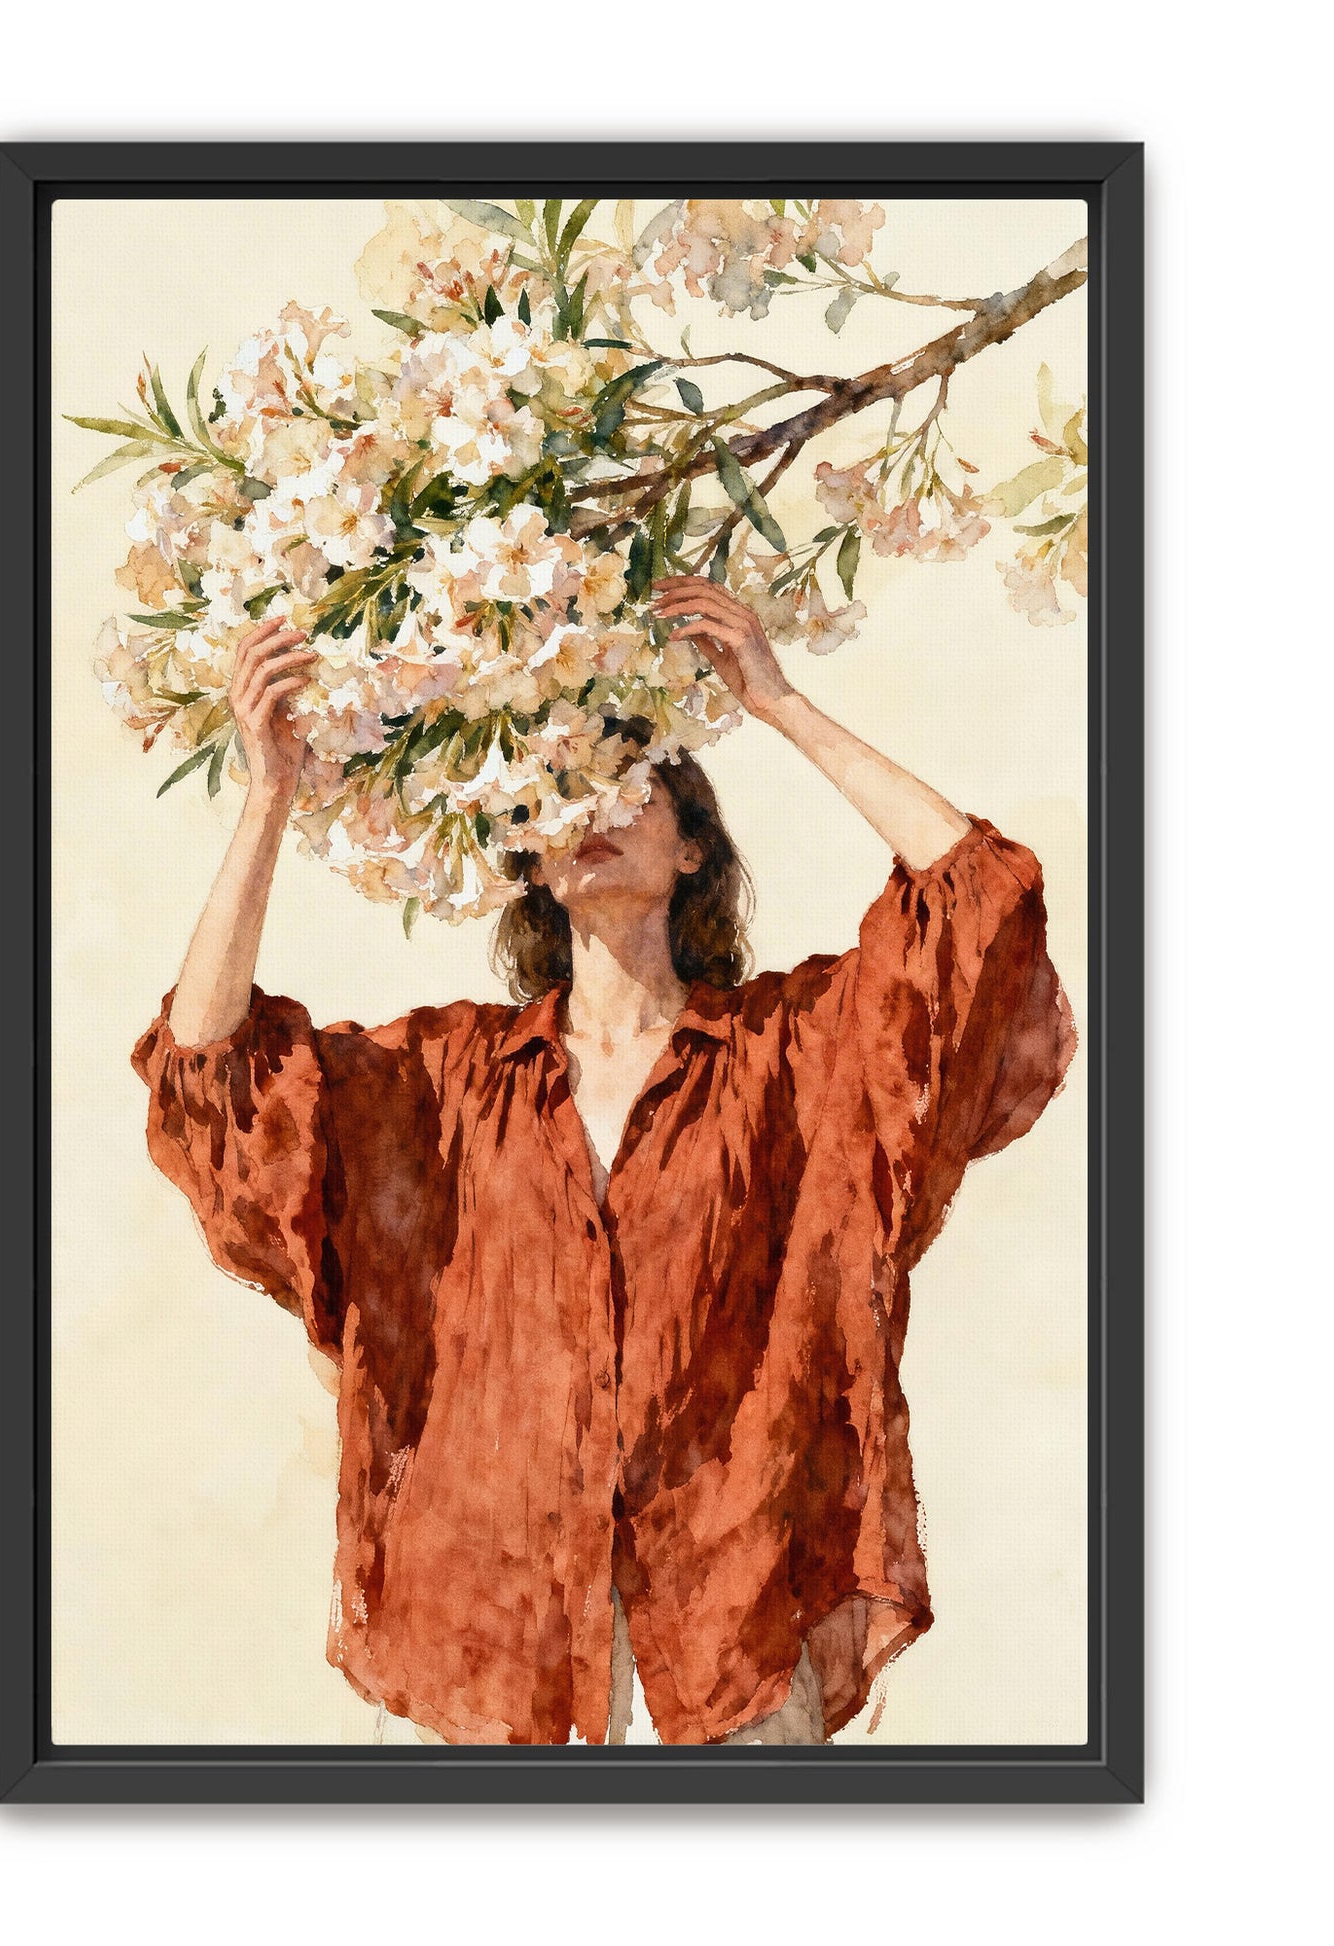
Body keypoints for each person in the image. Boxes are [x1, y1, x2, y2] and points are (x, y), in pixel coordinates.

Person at [133, 573, 1078, 1746]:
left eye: (627, 780)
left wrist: (776, 701)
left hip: (729, 1615)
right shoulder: (441, 1080)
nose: (590, 804)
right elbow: (212, 1069)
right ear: (528, 860)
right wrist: (267, 793)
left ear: (692, 848)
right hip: (490, 1633)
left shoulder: (789, 1055)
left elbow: (977, 902)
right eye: (558, 788)